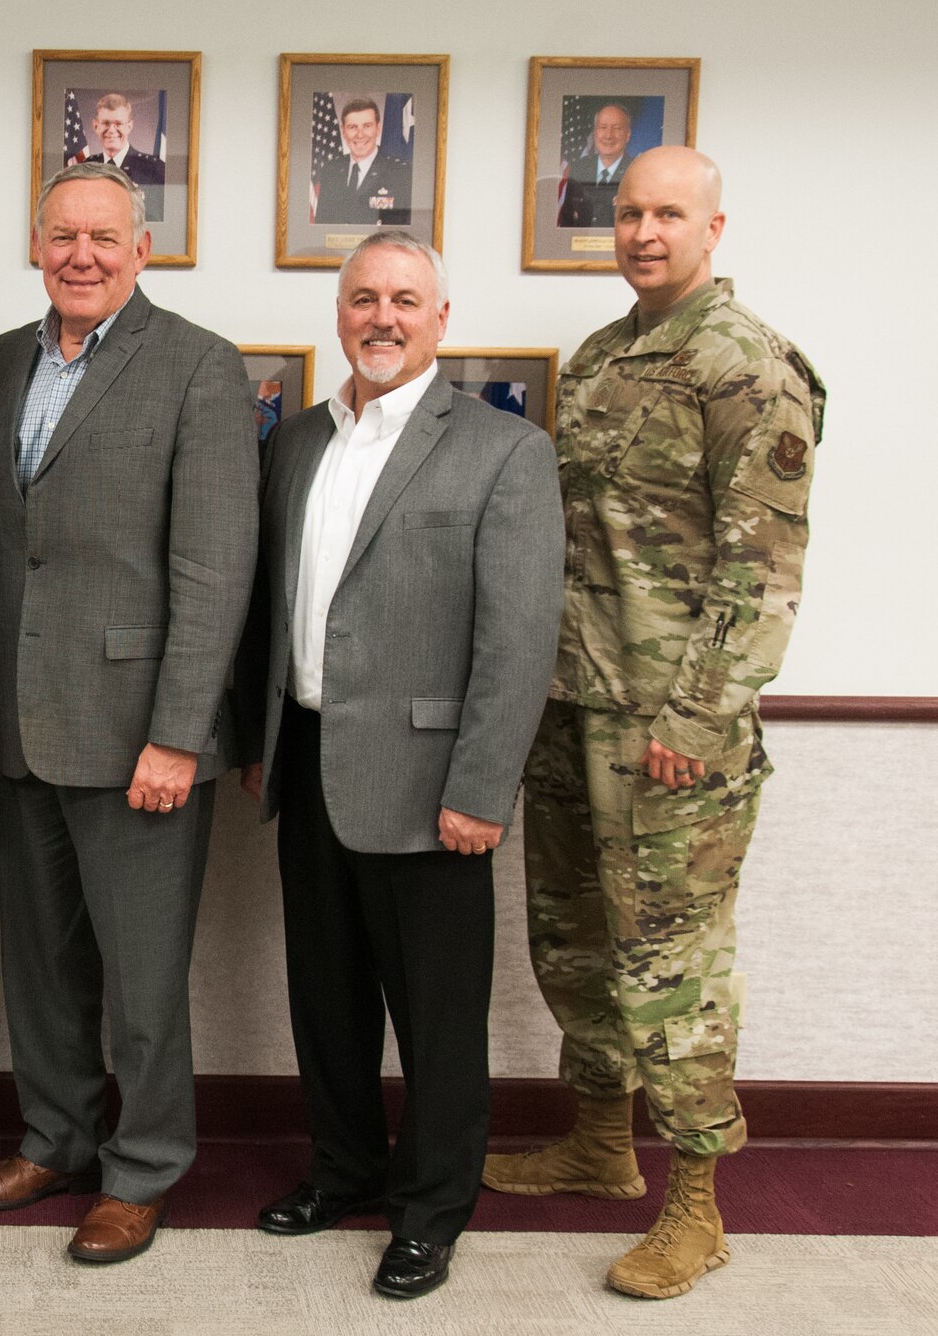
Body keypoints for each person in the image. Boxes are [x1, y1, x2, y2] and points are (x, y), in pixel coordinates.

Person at [482, 146, 825, 1301]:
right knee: (574, 939)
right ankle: (596, 1140)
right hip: (571, 705)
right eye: (626, 213)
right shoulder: (598, 359)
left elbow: (761, 570)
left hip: (672, 730)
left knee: (671, 965)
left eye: (666, 213)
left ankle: (695, 1203)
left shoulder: (744, 366)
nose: (641, 231)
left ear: (712, 226)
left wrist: (697, 713)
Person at [233, 229, 564, 1300]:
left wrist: (479, 787)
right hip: (310, 757)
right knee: (325, 1000)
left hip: (432, 784)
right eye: (363, 297)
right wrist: (261, 741)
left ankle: (428, 1211)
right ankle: (343, 1171)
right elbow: (270, 607)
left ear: (440, 319)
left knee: (433, 1015)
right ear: (339, 312)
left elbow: (518, 642)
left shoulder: (503, 451)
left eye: (403, 300)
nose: (381, 316)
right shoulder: (293, 444)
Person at [0, 162, 255, 1264]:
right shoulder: (3, 360)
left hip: (140, 734)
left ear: (143, 249)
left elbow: (215, 569)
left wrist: (177, 732)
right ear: (37, 244)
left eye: (103, 237)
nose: (80, 255)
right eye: (61, 235)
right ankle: (54, 1136)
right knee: (39, 961)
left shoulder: (197, 369)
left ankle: (141, 1166)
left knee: (140, 976)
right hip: (25, 728)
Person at [313, 97, 412, 226]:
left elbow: (403, 231)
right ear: (343, 131)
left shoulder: (401, 173)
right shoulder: (331, 169)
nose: (360, 135)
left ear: (378, 128)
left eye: (367, 126)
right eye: (352, 127)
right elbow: (322, 225)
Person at [82, 92, 164, 218]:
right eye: (106, 123)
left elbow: (157, 219)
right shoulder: (84, 168)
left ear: (129, 126)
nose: (111, 130)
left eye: (118, 124)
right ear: (95, 126)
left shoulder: (154, 169)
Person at [557, 103, 634, 229]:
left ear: (628, 135)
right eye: (603, 127)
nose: (609, 135)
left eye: (617, 128)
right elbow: (567, 220)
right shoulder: (578, 168)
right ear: (594, 133)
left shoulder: (637, 171)